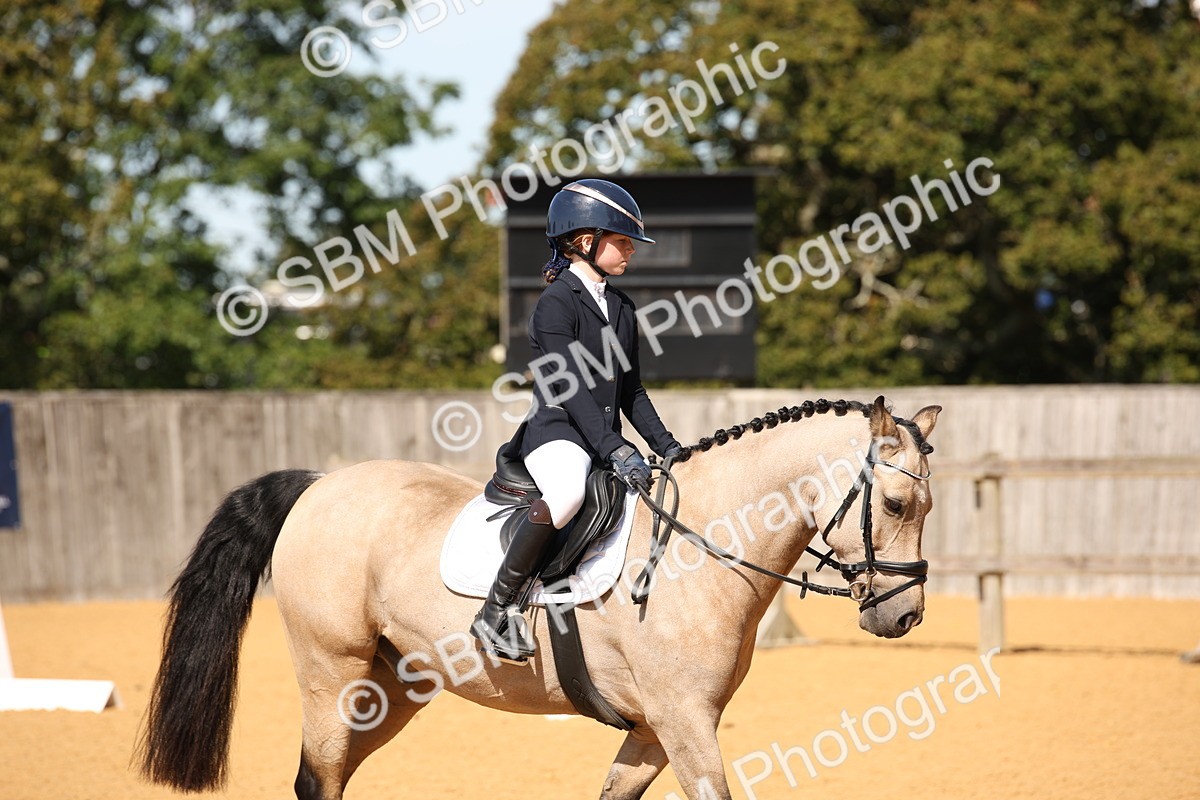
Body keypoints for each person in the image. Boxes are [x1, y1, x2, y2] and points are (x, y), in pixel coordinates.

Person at [472, 178, 683, 661]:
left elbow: (631, 391)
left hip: (601, 437)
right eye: (622, 240)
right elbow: (570, 390)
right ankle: (495, 609)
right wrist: (615, 449)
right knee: (567, 493)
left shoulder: (622, 308)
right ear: (586, 242)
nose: (631, 250)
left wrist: (668, 446)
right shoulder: (555, 305)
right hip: (557, 434)